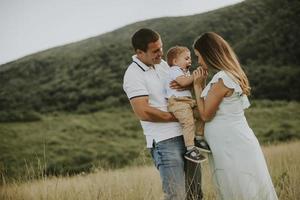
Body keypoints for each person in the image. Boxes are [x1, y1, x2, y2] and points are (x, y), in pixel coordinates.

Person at [192, 32, 278, 199]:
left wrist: (197, 86)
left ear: (209, 54)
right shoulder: (228, 75)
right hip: (232, 143)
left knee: (240, 188)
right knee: (242, 188)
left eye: (199, 56)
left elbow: (205, 115)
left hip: (231, 146)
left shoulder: (222, 79)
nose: (199, 62)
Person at [123, 28, 202, 200]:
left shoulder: (164, 65)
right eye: (155, 51)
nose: (161, 53)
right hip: (165, 142)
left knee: (195, 194)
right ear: (139, 52)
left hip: (186, 135)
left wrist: (185, 85)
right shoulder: (133, 74)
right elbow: (142, 111)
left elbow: (177, 88)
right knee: (177, 196)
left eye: (161, 48)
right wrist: (178, 117)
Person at [165, 46, 211, 163]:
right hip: (177, 102)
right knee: (188, 122)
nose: (190, 61)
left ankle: (199, 137)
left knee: (201, 113)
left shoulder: (185, 71)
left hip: (188, 101)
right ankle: (190, 149)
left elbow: (190, 84)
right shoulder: (174, 70)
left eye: (190, 58)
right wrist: (195, 76)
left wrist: (199, 78)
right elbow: (184, 82)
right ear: (175, 62)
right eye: (186, 59)